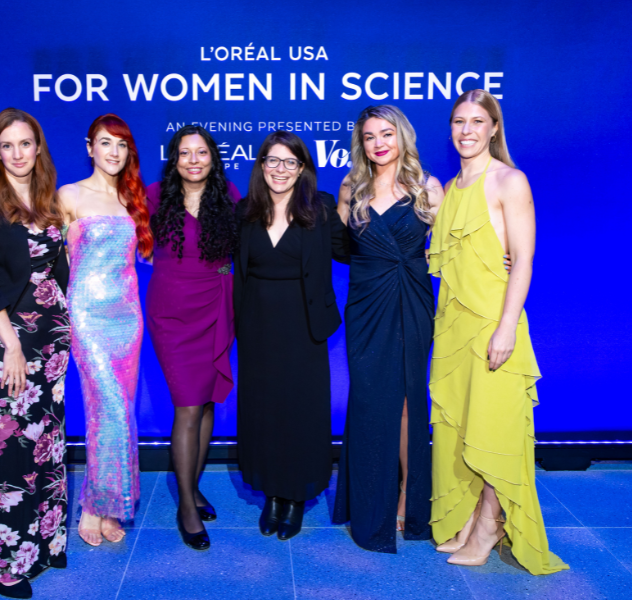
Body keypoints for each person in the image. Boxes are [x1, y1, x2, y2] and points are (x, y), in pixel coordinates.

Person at [427, 89, 568, 574]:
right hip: (453, 330)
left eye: (477, 121)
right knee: (466, 426)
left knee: (494, 430)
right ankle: (473, 518)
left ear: (493, 128)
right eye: (458, 121)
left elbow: (524, 260)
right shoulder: (448, 188)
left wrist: (506, 328)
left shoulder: (510, 180)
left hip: (493, 325)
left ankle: (491, 524)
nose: (466, 130)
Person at [0, 108, 69, 599]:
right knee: (11, 454)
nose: (18, 153)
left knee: (48, 443)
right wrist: (12, 347)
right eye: (8, 146)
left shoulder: (49, 200)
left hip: (54, 340)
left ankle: (45, 542)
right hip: (11, 342)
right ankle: (6, 564)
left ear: (38, 146)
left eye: (26, 143)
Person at [331, 105, 443, 553]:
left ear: (402, 137)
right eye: (370, 136)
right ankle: (366, 501)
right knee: (366, 401)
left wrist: (500, 260)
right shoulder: (351, 187)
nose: (378, 143)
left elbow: (454, 246)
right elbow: (338, 247)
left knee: (404, 405)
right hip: (366, 305)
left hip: (412, 302)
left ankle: (404, 499)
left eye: (386, 133)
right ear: (361, 143)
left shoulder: (427, 187)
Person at [234, 130, 349, 541]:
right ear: (260, 165)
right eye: (272, 161)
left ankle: (296, 496)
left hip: (304, 328)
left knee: (301, 411)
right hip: (256, 328)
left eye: (290, 162)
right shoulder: (245, 211)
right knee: (264, 412)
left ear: (302, 169)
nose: (280, 170)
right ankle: (273, 494)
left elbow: (355, 250)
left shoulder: (320, 208)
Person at [58, 114, 152, 547]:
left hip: (128, 320)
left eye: (121, 145)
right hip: (88, 320)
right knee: (106, 410)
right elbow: (51, 264)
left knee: (120, 414)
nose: (113, 152)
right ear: (89, 146)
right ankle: (94, 505)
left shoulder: (133, 200)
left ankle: (111, 504)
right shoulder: (69, 195)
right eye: (105, 143)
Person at [146, 126, 240, 550]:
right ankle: (185, 504)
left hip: (216, 304)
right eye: (185, 153)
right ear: (174, 159)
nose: (194, 160)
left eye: (201, 152)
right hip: (171, 311)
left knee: (205, 402)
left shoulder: (230, 196)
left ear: (212, 158)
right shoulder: (152, 196)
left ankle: (194, 486)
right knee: (186, 404)